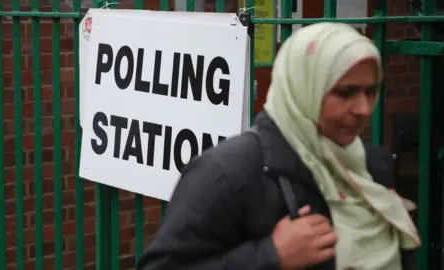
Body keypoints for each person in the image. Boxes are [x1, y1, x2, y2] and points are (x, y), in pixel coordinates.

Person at [137, 22, 421, 270]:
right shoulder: (228, 172)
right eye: (345, 92)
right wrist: (270, 256)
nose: (363, 108)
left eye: (370, 91)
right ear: (303, 86)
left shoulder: (367, 169)